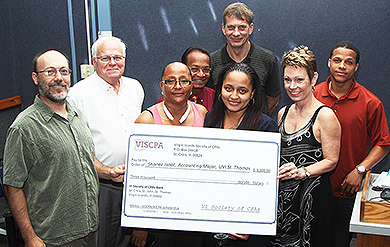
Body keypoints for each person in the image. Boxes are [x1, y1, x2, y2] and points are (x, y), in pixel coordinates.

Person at [3, 50, 124, 246]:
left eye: (64, 71)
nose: (59, 78)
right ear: (35, 78)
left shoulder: (77, 115)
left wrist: (109, 172)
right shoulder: (24, 127)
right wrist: (29, 237)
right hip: (54, 236)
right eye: (50, 72)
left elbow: (85, 158)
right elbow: (12, 186)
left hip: (91, 227)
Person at [67, 36, 145, 247]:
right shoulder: (77, 94)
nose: (113, 62)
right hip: (102, 186)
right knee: (104, 240)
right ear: (94, 62)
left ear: (125, 59)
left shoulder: (135, 88)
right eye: (105, 58)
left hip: (135, 184)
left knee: (134, 242)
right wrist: (105, 171)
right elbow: (75, 146)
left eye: (117, 57)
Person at [313, 41, 390, 247]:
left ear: (356, 67)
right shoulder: (312, 95)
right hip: (313, 187)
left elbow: (383, 143)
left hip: (345, 190)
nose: (342, 66)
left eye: (349, 62)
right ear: (328, 63)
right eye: (337, 60)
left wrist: (361, 170)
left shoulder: (370, 102)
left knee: (339, 242)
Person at [271, 46, 341, 246]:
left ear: (314, 78)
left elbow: (332, 160)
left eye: (299, 79)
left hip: (314, 202)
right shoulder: (282, 113)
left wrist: (303, 171)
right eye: (287, 79)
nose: (293, 86)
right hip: (284, 203)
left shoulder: (325, 116)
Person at [204, 63, 278, 247]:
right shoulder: (210, 119)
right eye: (228, 88)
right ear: (220, 89)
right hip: (212, 215)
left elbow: (268, 183)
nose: (234, 96)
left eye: (242, 90)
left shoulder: (265, 126)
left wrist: (252, 223)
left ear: (253, 93)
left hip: (247, 223)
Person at [135, 62, 207, 247]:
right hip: (159, 213)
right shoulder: (146, 120)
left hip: (195, 210)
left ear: (192, 86)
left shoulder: (203, 114)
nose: (177, 87)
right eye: (171, 81)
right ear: (161, 86)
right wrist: (140, 223)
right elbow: (138, 175)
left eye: (184, 81)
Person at [206, 2, 281, 116]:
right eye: (231, 27)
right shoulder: (211, 61)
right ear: (223, 28)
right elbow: (207, 98)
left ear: (250, 28)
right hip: (221, 131)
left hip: (257, 130)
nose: (236, 33)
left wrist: (255, 121)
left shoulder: (267, 59)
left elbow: (273, 99)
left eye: (242, 27)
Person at [157, 46, 215, 110]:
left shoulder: (215, 98)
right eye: (195, 69)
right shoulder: (165, 102)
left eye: (206, 69)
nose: (201, 74)